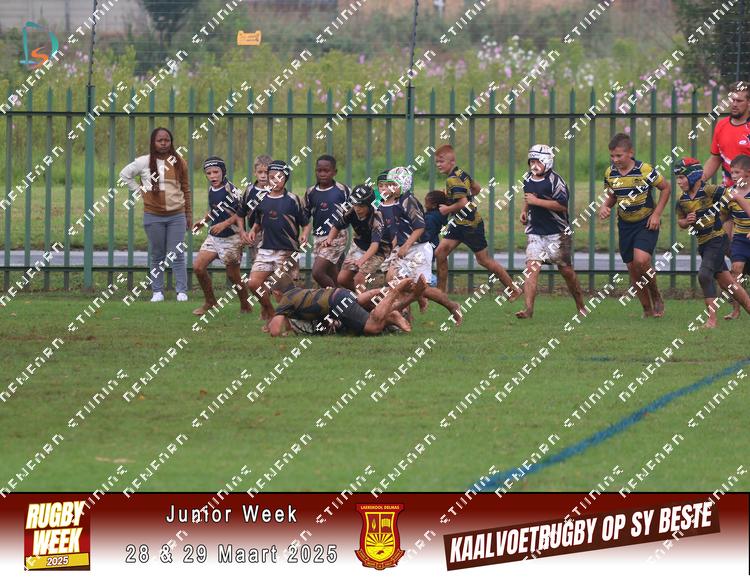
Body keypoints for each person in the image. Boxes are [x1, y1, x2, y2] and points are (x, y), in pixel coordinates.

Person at [432, 144, 520, 300]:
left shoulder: (453, 179)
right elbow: (477, 189)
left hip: (471, 226)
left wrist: (447, 209)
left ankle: (514, 289)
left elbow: (464, 203)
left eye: (442, 161)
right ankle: (441, 293)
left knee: (484, 260)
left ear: (452, 162)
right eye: (437, 162)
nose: (438, 164)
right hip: (459, 223)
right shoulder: (461, 173)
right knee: (440, 253)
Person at [599, 133, 671, 318]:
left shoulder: (644, 169)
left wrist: (656, 214)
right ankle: (647, 310)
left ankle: (656, 295)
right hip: (625, 225)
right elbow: (613, 195)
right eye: (612, 156)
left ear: (630, 153)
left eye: (619, 155)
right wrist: (605, 206)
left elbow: (666, 188)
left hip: (646, 222)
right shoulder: (610, 173)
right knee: (633, 269)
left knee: (641, 260)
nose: (615, 160)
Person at [674, 157, 750, 328]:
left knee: (704, 275)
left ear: (693, 176)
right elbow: (680, 222)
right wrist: (687, 221)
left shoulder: (709, 190)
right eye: (677, 178)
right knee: (729, 284)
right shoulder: (682, 200)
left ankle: (711, 321)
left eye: (682, 177)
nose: (679, 181)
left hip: (717, 240)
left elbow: (736, 197)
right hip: (703, 244)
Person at [119, 127, 192, 302]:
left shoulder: (179, 162)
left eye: (167, 140)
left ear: (171, 142)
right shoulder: (143, 161)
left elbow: (186, 189)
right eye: (160, 140)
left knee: (177, 254)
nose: (164, 143)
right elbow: (124, 175)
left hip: (177, 216)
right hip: (153, 216)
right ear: (153, 142)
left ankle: (181, 291)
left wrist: (188, 214)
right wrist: (140, 191)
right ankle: (157, 291)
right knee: (157, 255)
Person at [382, 166, 462, 325]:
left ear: (404, 184)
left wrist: (406, 246)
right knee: (395, 280)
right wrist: (396, 245)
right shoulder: (395, 201)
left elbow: (420, 227)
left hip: (419, 249)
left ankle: (452, 306)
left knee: (420, 288)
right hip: (404, 248)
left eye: (394, 184)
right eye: (389, 184)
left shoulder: (408, 201)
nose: (390, 187)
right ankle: (405, 317)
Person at [516, 145, 585, 319]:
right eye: (531, 161)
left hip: (557, 234)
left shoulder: (556, 182)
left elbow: (562, 205)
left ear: (547, 162)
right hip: (535, 232)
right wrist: (524, 210)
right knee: (531, 268)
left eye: (538, 161)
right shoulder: (528, 178)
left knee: (566, 272)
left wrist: (536, 202)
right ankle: (528, 310)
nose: (534, 165)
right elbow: (529, 197)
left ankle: (581, 306)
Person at [244, 160, 308, 326]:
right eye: (272, 177)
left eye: (279, 177)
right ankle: (271, 313)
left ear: (286, 179)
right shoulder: (261, 198)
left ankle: (291, 325)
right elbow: (258, 221)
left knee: (281, 291)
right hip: (265, 249)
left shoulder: (293, 199)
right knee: (253, 284)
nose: (275, 181)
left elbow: (306, 223)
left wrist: (304, 235)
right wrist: (253, 231)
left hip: (286, 251)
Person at [267, 275, 427, 337]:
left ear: (276, 293)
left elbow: (274, 330)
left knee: (373, 327)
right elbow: (288, 324)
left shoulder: (285, 300)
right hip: (339, 294)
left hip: (335, 303)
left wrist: (273, 328)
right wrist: (287, 330)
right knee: (365, 307)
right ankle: (408, 300)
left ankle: (395, 290)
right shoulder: (298, 293)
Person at [191, 156, 252, 316]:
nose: (213, 176)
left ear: (223, 172)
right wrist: (203, 222)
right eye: (209, 173)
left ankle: (245, 305)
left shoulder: (231, 190)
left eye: (216, 172)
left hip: (232, 237)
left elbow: (241, 213)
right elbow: (215, 210)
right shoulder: (212, 189)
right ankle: (210, 302)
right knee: (198, 267)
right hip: (214, 237)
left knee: (233, 276)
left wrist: (225, 224)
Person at [324, 185, 390, 292]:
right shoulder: (351, 210)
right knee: (342, 279)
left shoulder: (377, 216)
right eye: (355, 204)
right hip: (359, 244)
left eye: (362, 206)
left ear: (370, 205)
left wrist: (361, 260)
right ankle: (367, 297)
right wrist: (329, 239)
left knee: (359, 278)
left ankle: (362, 300)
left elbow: (375, 245)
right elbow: (337, 226)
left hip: (378, 249)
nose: (357, 209)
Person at [300, 155, 351, 288]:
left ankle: (336, 297)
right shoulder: (311, 192)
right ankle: (342, 297)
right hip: (318, 237)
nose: (322, 174)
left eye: (326, 171)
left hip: (337, 236)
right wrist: (304, 233)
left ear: (334, 172)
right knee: (332, 273)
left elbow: (354, 210)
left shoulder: (342, 190)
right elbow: (305, 214)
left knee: (318, 272)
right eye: (319, 170)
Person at [701, 81, 750, 187]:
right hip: (728, 191)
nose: (734, 104)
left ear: (748, 102)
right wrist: (699, 181)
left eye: (739, 101)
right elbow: (715, 158)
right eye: (732, 100)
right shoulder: (721, 125)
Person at [723, 155, 750, 319]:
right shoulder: (729, 193)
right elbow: (724, 216)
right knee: (736, 270)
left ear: (748, 173)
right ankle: (735, 310)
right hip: (740, 238)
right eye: (731, 172)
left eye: (737, 172)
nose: (733, 175)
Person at [237, 154, 273, 268]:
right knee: (258, 265)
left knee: (273, 265)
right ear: (255, 173)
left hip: (273, 234)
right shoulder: (249, 191)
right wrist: (242, 232)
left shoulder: (275, 190)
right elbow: (240, 213)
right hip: (255, 235)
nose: (263, 176)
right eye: (260, 172)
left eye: (266, 172)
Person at [424, 190, 449, 286]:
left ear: (434, 205)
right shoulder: (439, 215)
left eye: (427, 203)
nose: (425, 205)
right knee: (427, 267)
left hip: (427, 246)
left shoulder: (430, 218)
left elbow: (428, 234)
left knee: (424, 268)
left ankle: (432, 283)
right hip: (434, 244)